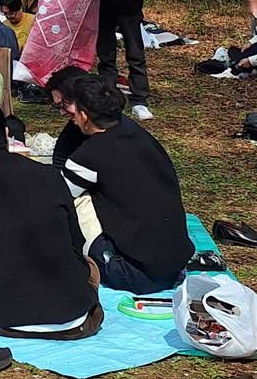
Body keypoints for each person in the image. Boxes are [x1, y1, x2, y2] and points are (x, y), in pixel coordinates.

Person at [0, 98, 102, 339]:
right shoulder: (49, 175)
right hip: (72, 308)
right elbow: (75, 241)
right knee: (89, 264)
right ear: (6, 131)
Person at [58, 75, 194, 294]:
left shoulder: (88, 156)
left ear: (83, 115)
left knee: (76, 200)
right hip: (175, 264)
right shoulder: (139, 135)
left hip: (133, 274)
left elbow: (56, 197)